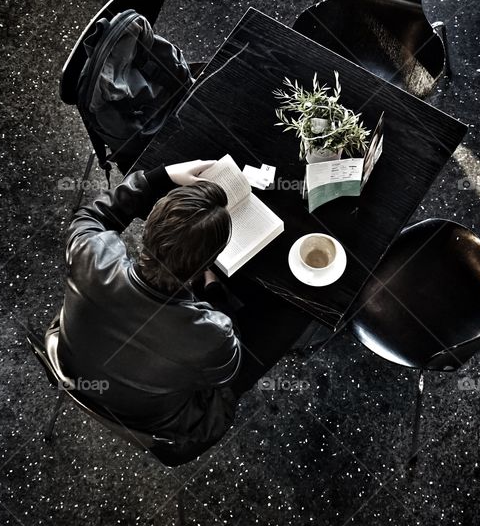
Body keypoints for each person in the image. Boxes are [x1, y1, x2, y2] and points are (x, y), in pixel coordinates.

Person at [46, 160, 311, 463]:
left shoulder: (89, 253)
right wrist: (213, 291)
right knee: (287, 316)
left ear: (147, 227)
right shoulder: (212, 334)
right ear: (206, 266)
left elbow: (93, 215)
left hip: (70, 364)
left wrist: (159, 177)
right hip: (165, 429)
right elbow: (228, 369)